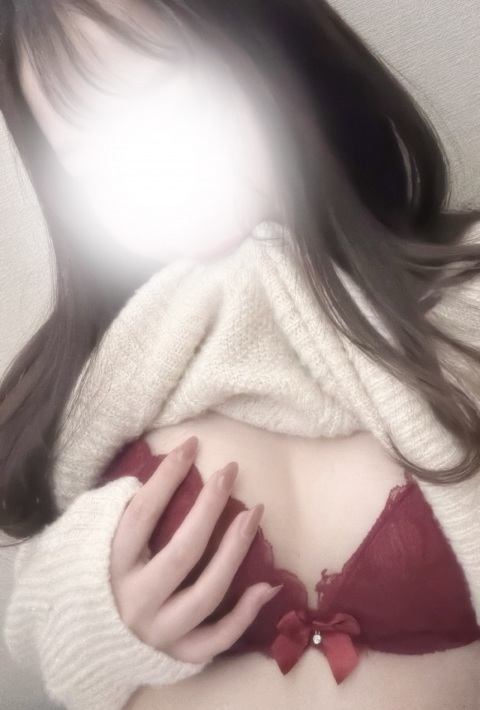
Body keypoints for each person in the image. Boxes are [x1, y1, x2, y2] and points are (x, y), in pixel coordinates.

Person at [1, 1, 480, 708]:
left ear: (276, 46)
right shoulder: (90, 378)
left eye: (174, 99)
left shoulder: (464, 308)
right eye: (93, 161)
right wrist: (90, 621)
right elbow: (36, 624)